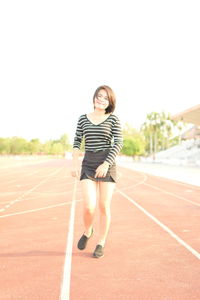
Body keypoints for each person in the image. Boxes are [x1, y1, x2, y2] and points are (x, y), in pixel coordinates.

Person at [71, 85, 123, 258]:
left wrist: (107, 164)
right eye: (99, 96)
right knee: (89, 206)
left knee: (103, 206)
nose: (101, 99)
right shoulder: (83, 119)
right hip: (88, 164)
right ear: (94, 98)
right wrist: (74, 164)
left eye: (105, 98)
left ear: (110, 102)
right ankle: (88, 231)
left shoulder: (113, 119)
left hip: (107, 163)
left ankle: (101, 242)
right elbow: (77, 142)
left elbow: (118, 144)